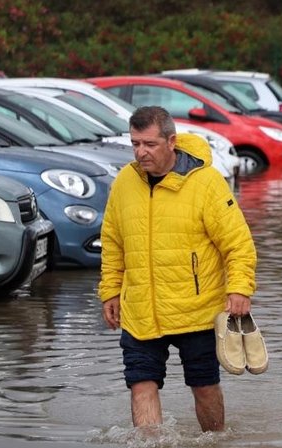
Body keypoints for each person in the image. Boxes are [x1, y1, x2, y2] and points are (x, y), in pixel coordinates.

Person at [99, 106, 257, 431]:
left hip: (195, 311)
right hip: (141, 311)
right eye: (135, 144)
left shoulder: (207, 184)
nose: (141, 152)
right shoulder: (124, 182)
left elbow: (237, 242)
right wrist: (110, 292)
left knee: (204, 387)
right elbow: (113, 242)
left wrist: (239, 289)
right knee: (141, 385)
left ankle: (213, 447)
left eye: (150, 144)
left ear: (171, 141)